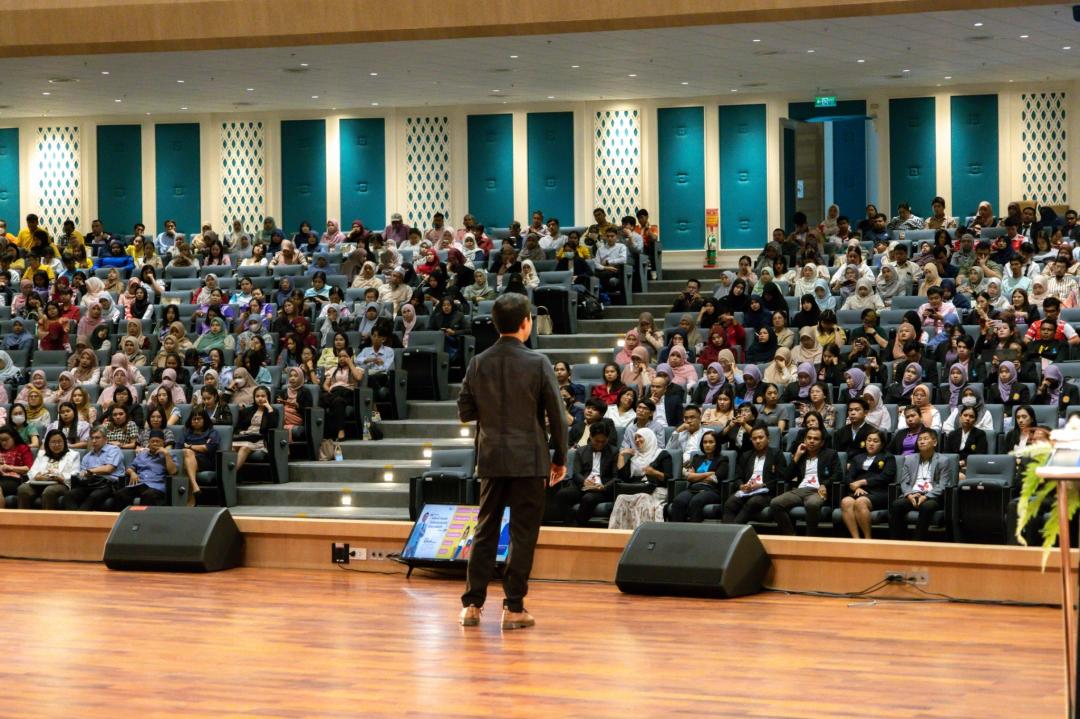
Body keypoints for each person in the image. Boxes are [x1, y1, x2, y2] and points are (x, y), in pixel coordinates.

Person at [458, 293, 566, 631]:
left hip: (491, 457)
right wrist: (560, 458)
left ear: (494, 324)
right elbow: (557, 416)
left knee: (485, 530)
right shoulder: (538, 362)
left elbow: (465, 411)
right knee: (522, 534)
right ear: (526, 322)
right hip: (529, 459)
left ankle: (472, 606)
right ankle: (514, 608)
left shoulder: (478, 362)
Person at [770, 427, 841, 536]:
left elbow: (838, 475)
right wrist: (797, 456)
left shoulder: (830, 454)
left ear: (822, 443)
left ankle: (809, 537)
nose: (812, 441)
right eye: (809, 438)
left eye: (816, 439)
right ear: (804, 440)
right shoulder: (801, 455)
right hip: (800, 490)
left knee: (812, 504)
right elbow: (786, 477)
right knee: (775, 503)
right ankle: (791, 536)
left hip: (817, 491)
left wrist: (824, 484)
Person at [889, 428, 953, 541]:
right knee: (896, 505)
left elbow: (943, 484)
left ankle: (917, 541)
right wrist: (909, 494)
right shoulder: (910, 459)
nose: (922, 442)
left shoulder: (943, 460)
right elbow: (904, 482)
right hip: (913, 494)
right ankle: (897, 542)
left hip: (932, 496)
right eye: (919, 439)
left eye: (925, 439)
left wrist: (926, 496)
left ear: (934, 442)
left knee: (927, 506)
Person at [607, 428, 673, 530]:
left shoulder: (662, 454)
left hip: (657, 489)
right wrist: (621, 455)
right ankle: (618, 534)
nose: (637, 440)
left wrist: (654, 472)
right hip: (638, 489)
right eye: (635, 438)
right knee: (621, 498)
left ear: (648, 437)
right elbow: (623, 478)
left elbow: (668, 478)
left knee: (642, 498)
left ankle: (641, 533)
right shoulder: (635, 457)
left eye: (640, 437)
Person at [555, 423, 619, 526]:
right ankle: (570, 524)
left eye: (603, 441)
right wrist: (584, 481)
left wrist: (604, 487)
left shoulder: (614, 452)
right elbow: (576, 473)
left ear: (607, 439)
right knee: (561, 495)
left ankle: (579, 526)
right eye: (597, 441)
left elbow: (616, 477)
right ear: (590, 437)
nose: (600, 444)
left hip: (602, 489)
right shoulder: (581, 451)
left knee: (588, 498)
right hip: (583, 486)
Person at [722, 423, 787, 524]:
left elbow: (781, 478)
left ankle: (734, 530)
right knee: (730, 503)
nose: (757, 441)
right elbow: (738, 476)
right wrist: (741, 486)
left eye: (761, 437)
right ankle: (728, 531)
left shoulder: (776, 454)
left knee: (753, 502)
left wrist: (762, 485)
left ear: (768, 439)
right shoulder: (746, 455)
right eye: (754, 438)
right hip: (746, 491)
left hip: (766, 493)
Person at [839, 429, 895, 539]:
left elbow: (886, 477)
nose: (871, 443)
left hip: (878, 492)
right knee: (846, 502)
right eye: (869, 440)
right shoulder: (858, 458)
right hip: (858, 491)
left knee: (861, 502)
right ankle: (856, 539)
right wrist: (855, 488)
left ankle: (867, 539)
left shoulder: (888, 457)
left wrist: (862, 482)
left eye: (875, 441)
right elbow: (848, 477)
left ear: (882, 444)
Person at [668, 430, 729, 523]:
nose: (707, 445)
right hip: (693, 489)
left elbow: (714, 479)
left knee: (696, 502)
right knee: (678, 501)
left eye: (711, 442)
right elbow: (689, 477)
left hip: (711, 490)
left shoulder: (722, 460)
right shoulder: (697, 458)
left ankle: (694, 531)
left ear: (716, 444)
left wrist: (696, 476)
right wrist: (708, 473)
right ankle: (678, 530)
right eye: (705, 442)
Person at [16, 429, 81, 509]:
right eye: (53, 442)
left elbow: (75, 473)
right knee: (23, 489)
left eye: (59, 442)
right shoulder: (41, 454)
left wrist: (61, 477)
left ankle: (47, 517)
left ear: (64, 442)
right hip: (39, 483)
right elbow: (32, 471)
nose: (56, 445)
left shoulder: (73, 455)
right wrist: (37, 476)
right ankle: (24, 516)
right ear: (47, 443)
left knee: (50, 491)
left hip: (60, 484)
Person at [115, 429, 176, 508]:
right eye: (152, 441)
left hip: (156, 486)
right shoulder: (142, 455)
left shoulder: (169, 455)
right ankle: (124, 516)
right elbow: (130, 468)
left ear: (163, 443)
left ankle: (142, 516)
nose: (155, 443)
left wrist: (166, 454)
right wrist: (132, 473)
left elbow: (173, 472)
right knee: (120, 494)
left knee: (148, 495)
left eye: (158, 441)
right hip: (140, 484)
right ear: (148, 443)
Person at [180, 408, 220, 507]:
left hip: (205, 461)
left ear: (204, 420)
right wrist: (197, 448)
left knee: (187, 454)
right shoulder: (186, 432)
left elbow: (208, 448)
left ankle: (190, 494)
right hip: (187, 460)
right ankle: (194, 488)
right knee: (187, 455)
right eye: (194, 419)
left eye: (199, 418)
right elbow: (178, 447)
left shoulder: (212, 432)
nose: (196, 421)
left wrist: (190, 446)